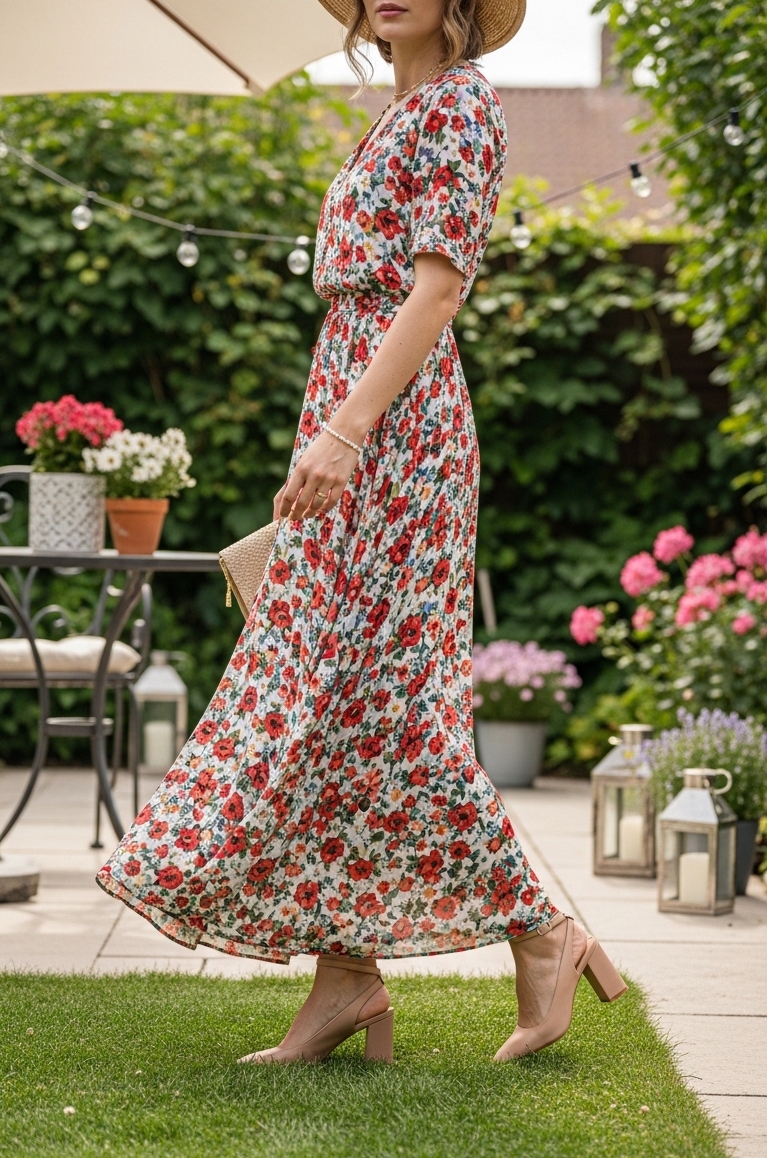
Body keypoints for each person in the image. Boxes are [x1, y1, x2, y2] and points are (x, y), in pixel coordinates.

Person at [97, 0, 627, 1064]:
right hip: (351, 415)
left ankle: (544, 929)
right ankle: (347, 979)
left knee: (386, 703)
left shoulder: (463, 106)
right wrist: (330, 426)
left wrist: (347, 431)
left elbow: (435, 293)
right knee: (332, 700)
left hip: (398, 433)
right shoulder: (392, 113)